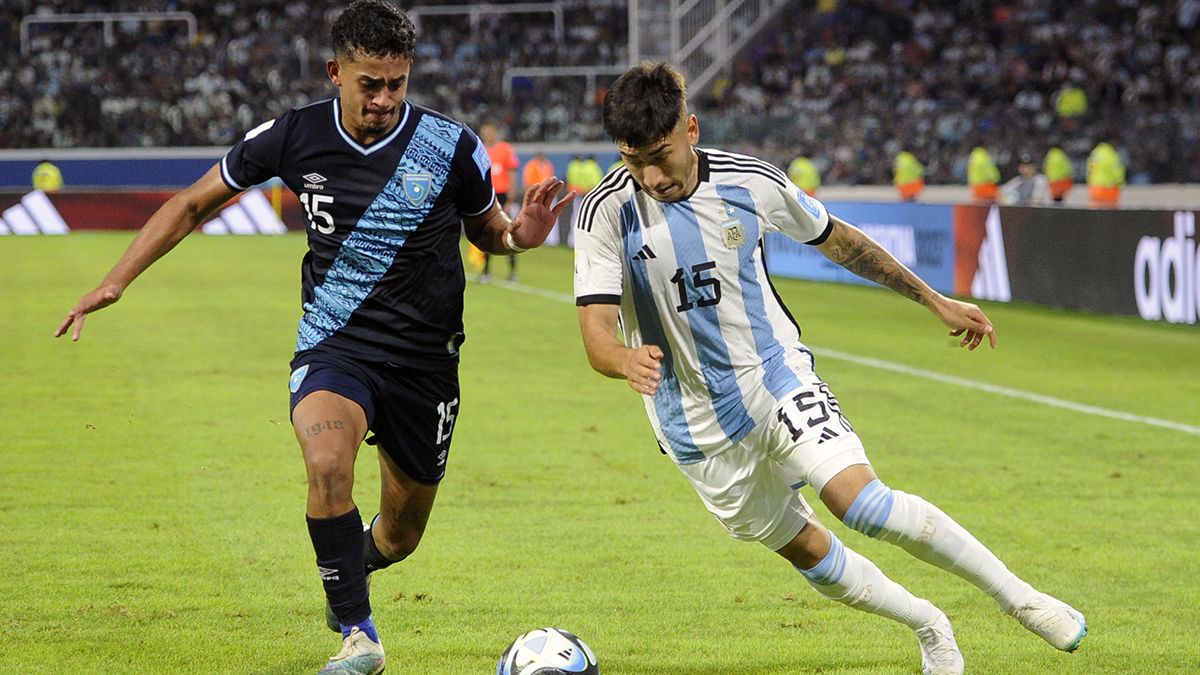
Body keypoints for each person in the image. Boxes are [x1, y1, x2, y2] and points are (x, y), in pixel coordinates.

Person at [54, 2, 572, 673]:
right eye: (370, 83)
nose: (385, 99)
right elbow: (191, 204)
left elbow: (489, 230)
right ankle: (360, 637)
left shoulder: (451, 144)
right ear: (335, 71)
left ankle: (347, 571)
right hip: (337, 347)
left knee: (402, 532)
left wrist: (520, 236)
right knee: (328, 462)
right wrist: (116, 280)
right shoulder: (295, 135)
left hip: (426, 363)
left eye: (397, 83)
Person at [574, 62, 1086, 675]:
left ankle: (1022, 600)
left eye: (661, 155)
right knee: (810, 552)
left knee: (861, 503)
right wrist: (623, 358)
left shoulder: (750, 182)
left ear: (690, 127)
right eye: (634, 161)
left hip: (773, 375)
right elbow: (597, 335)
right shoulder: (604, 213)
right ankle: (928, 624)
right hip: (691, 423)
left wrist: (935, 299)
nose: (651, 176)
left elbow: (838, 241)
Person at [479, 121, 521, 282]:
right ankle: (486, 271)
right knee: (486, 233)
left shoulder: (505, 149)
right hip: (485, 195)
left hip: (502, 196)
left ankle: (512, 272)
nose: (487, 134)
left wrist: (511, 200)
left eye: (490, 131)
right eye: (485, 131)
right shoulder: (479, 148)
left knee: (508, 231)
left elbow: (512, 175)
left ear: (496, 132)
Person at [560, 154, 603, 247]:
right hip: (590, 193)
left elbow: (568, 179)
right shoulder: (592, 167)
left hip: (574, 193)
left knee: (575, 217)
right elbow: (594, 181)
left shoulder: (575, 166)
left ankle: (572, 240)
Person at [1086, 142, 1124, 208]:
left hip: (1095, 188)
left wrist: (1090, 182)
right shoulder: (1111, 154)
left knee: (1095, 212)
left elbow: (1089, 170)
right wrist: (1120, 183)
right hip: (1109, 188)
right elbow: (1117, 170)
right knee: (1111, 213)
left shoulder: (1095, 153)